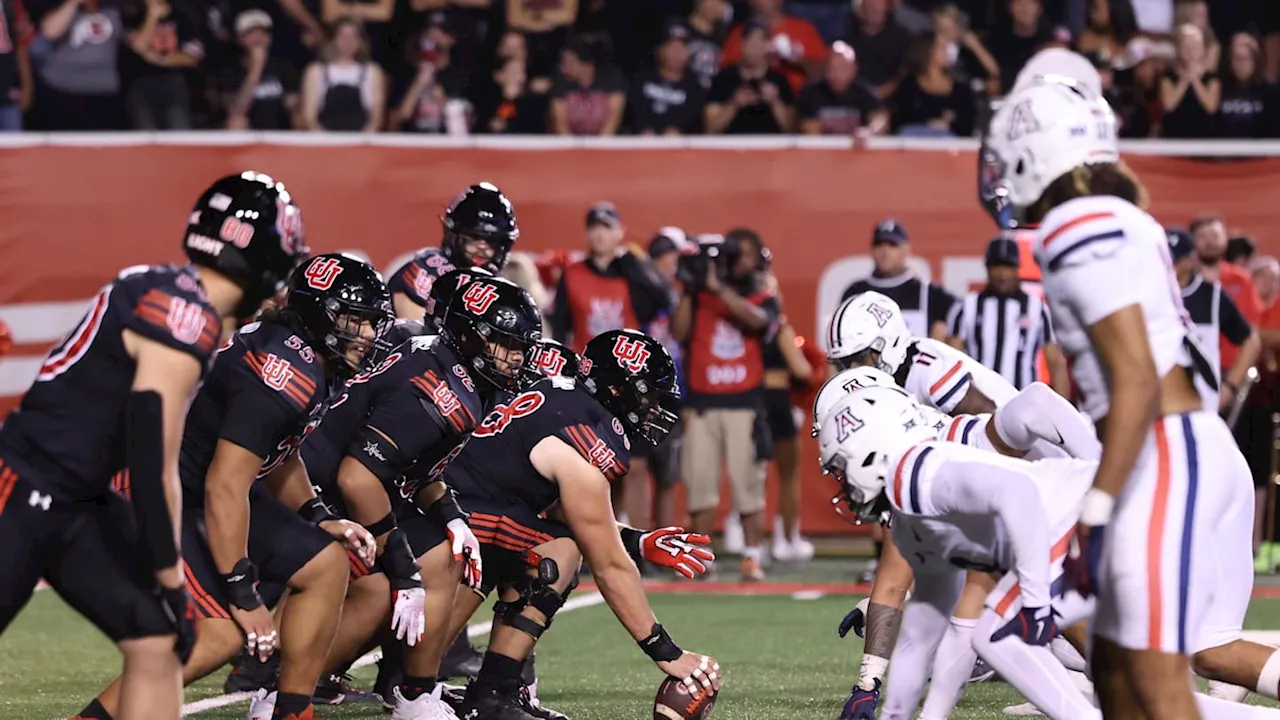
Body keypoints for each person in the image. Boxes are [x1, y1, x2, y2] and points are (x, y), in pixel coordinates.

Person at [980, 75, 1251, 720]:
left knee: (1153, 680)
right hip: (1175, 442)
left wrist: (1097, 507)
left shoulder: (1075, 225)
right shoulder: (1119, 215)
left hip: (1162, 448)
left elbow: (1133, 376)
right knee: (1112, 669)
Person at [0, 172, 300, 720]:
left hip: (78, 498)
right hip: (24, 485)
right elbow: (152, 455)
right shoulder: (186, 317)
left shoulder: (169, 291)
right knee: (166, 624)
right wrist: (167, 574)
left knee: (160, 640)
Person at [278, 274, 539, 720]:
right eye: (503, 344)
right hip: (315, 491)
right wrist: (399, 564)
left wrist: (453, 517)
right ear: (470, 336)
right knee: (386, 588)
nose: (516, 358)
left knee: (448, 553)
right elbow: (358, 476)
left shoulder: (454, 370)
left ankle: (416, 694)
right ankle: (282, 691)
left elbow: (412, 469)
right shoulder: (439, 386)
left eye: (520, 346)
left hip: (346, 483)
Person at [434, 329, 720, 720]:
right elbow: (609, 565)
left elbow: (560, 514)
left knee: (547, 543)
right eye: (647, 396)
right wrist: (665, 651)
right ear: (618, 390)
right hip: (450, 525)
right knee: (559, 553)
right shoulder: (584, 433)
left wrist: (636, 541)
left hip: (457, 513)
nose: (654, 408)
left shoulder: (564, 397)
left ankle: (491, 691)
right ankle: (464, 691)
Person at [818, 388, 1098, 720]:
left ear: (870, 454)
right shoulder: (912, 514)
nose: (842, 484)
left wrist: (1037, 603)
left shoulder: (917, 475)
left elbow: (1019, 492)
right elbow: (931, 634)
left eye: (841, 467)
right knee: (989, 628)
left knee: (1001, 632)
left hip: (1079, 512)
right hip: (1070, 517)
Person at [549, 202, 673, 529]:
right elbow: (561, 326)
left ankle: (640, 541)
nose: (600, 234)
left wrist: (637, 265)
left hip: (633, 382)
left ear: (619, 232)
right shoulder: (573, 274)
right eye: (595, 227)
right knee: (593, 464)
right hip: (589, 380)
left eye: (607, 227)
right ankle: (596, 538)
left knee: (638, 464)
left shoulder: (632, 270)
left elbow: (663, 301)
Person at [671, 229, 778, 581]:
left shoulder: (762, 292)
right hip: (703, 404)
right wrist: (691, 287)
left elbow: (759, 322)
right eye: (737, 253)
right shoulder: (699, 293)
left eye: (747, 254)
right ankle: (703, 555)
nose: (742, 260)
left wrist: (718, 290)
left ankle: (752, 556)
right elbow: (679, 331)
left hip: (744, 404)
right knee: (701, 484)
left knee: (748, 487)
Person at [946, 237, 1070, 395]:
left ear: (1017, 267)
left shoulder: (1037, 308)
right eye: (997, 266)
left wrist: (1062, 410)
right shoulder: (966, 306)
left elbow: (1055, 363)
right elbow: (952, 358)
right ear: (987, 268)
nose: (1002, 273)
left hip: (1022, 399)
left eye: (1008, 266)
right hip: (980, 401)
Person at [388, 182, 519, 320]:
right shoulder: (426, 272)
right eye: (474, 237)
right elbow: (413, 335)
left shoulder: (498, 281)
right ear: (453, 234)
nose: (483, 249)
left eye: (493, 241)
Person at [1168, 228, 1259, 415]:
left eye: (1174, 262)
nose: (1168, 267)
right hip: (1161, 405)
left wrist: (1228, 388)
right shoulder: (1150, 295)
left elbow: (1250, 341)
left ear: (1189, 260)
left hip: (1204, 406)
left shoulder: (1212, 295)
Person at [839, 219, 956, 341]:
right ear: (871, 250)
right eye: (879, 244)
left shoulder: (927, 292)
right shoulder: (856, 292)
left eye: (892, 245)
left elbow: (964, 322)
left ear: (905, 250)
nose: (885, 251)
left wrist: (945, 339)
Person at [705, 17, 795, 134]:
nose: (754, 47)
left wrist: (775, 102)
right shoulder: (724, 78)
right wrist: (734, 104)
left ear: (767, 45)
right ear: (742, 43)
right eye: (750, 41)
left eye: (760, 41)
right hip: (731, 147)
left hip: (770, 148)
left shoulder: (779, 80)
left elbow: (793, 130)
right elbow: (710, 129)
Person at [300, 18, 386, 133]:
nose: (348, 42)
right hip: (324, 141)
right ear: (333, 40)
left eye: (353, 37)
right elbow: (309, 118)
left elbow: (377, 117)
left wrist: (361, 141)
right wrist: (325, 140)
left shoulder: (373, 71)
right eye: (343, 36)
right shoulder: (316, 71)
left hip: (361, 141)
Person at [796, 40, 888, 138]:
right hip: (822, 149)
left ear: (854, 69)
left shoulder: (864, 91)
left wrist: (869, 131)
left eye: (843, 68)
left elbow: (881, 118)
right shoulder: (811, 92)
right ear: (826, 69)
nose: (839, 74)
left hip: (855, 149)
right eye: (834, 68)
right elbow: (811, 132)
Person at [629, 19, 705, 136]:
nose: (676, 53)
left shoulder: (695, 88)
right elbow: (633, 114)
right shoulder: (641, 79)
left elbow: (694, 124)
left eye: (682, 48)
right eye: (671, 47)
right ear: (660, 50)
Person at [1160, 22, 1221, 138]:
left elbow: (1211, 106)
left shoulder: (1211, 78)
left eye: (1195, 45)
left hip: (1204, 139)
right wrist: (1185, 79)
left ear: (1203, 49)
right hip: (1175, 138)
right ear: (1179, 48)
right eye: (1186, 45)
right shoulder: (1168, 77)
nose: (1191, 50)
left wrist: (1195, 80)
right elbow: (1168, 105)